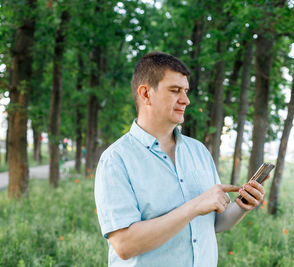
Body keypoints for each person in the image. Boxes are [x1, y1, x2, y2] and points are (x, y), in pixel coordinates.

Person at [94, 51, 266, 267]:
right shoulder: (116, 160)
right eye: (175, 91)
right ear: (146, 94)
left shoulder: (199, 152)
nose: (185, 100)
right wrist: (194, 206)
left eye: (185, 91)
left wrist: (242, 205)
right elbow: (125, 245)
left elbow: (213, 223)